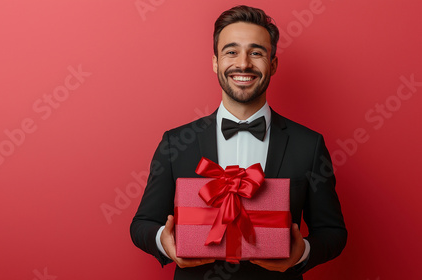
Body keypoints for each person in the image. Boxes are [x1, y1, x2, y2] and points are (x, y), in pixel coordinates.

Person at [130, 5, 347, 280]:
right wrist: (166, 242)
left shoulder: (309, 145)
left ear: (273, 64)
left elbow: (333, 233)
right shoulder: (175, 143)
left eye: (256, 53)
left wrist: (302, 252)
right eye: (231, 52)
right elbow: (143, 224)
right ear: (215, 62)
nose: (243, 63)